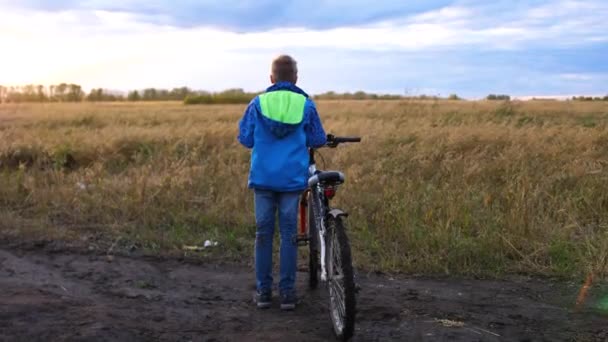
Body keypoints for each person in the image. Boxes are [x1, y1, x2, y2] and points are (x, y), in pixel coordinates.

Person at [238, 55, 327, 310]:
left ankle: (264, 293)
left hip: (263, 178)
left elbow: (245, 139)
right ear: (296, 79)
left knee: (263, 234)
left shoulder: (257, 103)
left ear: (271, 78)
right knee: (289, 235)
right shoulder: (306, 105)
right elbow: (318, 138)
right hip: (291, 179)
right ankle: (287, 294)